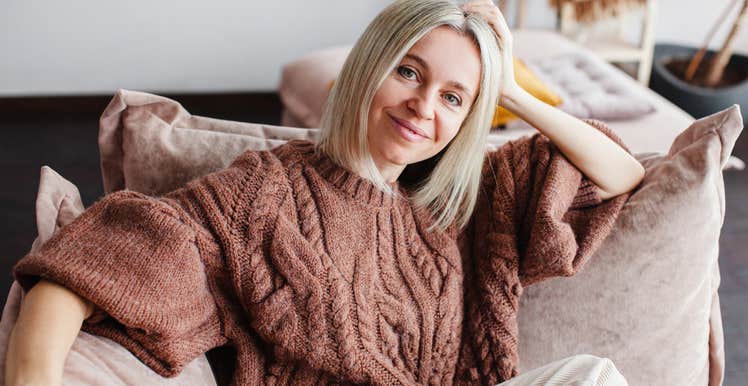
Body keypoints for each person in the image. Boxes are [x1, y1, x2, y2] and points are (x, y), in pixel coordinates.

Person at [5, 0, 644, 385]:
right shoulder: (264, 193)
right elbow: (91, 266)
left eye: (454, 98)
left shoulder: (467, 205)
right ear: (369, 68)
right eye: (409, 71)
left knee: (594, 377)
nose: (424, 106)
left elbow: (621, 174)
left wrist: (507, 91)